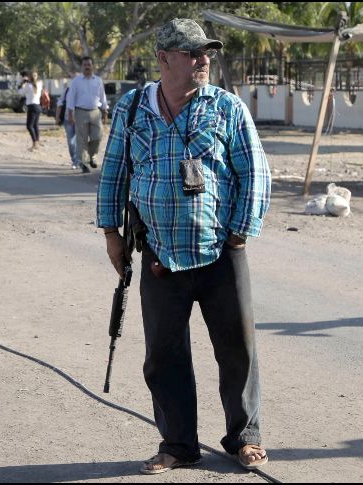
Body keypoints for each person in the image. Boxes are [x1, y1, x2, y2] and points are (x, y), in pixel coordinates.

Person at [96, 18, 271, 475]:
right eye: (193, 53)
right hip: (159, 254)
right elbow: (114, 172)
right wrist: (112, 235)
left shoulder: (226, 107)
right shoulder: (133, 109)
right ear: (164, 59)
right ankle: (177, 445)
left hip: (220, 252)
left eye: (206, 52)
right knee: (165, 355)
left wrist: (239, 232)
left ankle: (244, 438)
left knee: (238, 350)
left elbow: (255, 172)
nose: (204, 60)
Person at [66, 56, 108, 173]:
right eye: (85, 65)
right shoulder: (76, 81)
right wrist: (70, 113)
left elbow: (102, 97)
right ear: (82, 67)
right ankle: (83, 162)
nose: (87, 67)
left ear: (92, 66)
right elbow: (71, 98)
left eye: (89, 64)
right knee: (82, 139)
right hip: (80, 112)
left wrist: (105, 111)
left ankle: (91, 156)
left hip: (95, 111)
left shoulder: (98, 80)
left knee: (97, 136)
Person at [56, 71, 79, 170]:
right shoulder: (67, 90)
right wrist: (57, 118)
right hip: (67, 119)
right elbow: (60, 104)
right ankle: (74, 160)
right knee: (71, 142)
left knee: (80, 141)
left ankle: (80, 161)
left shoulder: (83, 91)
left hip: (80, 119)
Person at [19, 71, 43, 151]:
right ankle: (37, 141)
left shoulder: (28, 86)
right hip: (38, 106)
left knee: (29, 126)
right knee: (35, 125)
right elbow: (36, 83)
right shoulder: (39, 84)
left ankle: (35, 143)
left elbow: (20, 92)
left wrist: (22, 83)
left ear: (29, 77)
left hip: (32, 107)